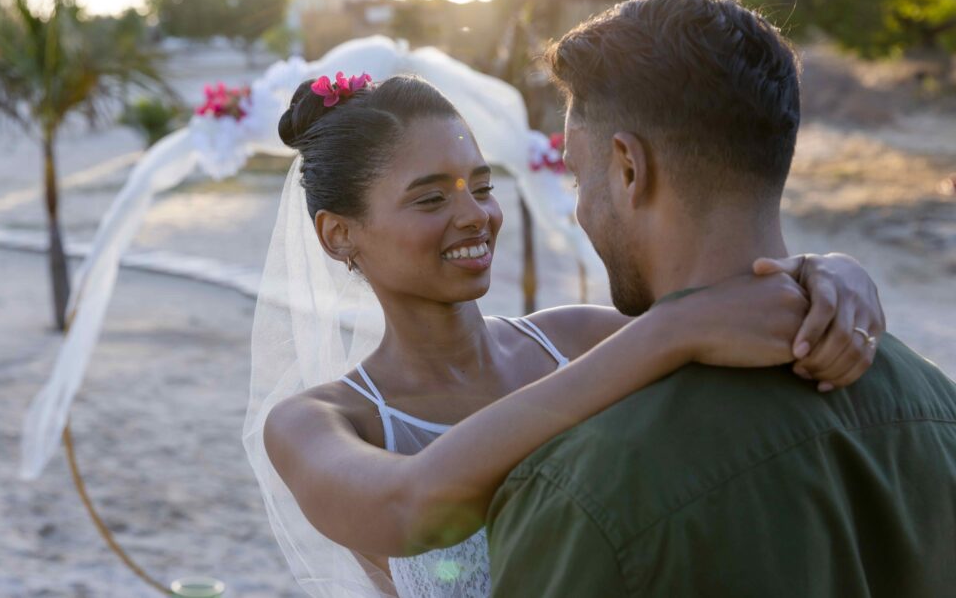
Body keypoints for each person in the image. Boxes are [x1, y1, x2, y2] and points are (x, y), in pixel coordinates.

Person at [243, 71, 886, 598]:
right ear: (339, 235)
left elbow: (736, 321)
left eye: (483, 186)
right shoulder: (314, 423)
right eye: (431, 199)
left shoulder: (578, 339)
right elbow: (411, 507)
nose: (477, 216)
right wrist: (669, 330)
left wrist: (825, 274)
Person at [486, 0, 956, 597]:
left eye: (579, 175)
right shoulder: (938, 406)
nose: (578, 209)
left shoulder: (585, 490)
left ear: (629, 169)